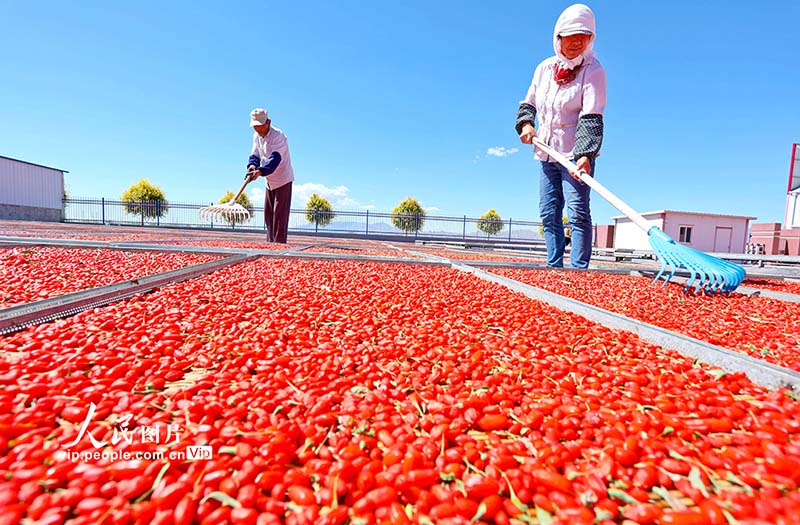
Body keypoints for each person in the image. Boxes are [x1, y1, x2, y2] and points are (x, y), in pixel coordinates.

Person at [516, 3, 606, 268]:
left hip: (576, 154)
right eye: (570, 35)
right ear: (558, 38)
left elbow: (591, 115)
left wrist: (585, 155)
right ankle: (554, 267)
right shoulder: (544, 68)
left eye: (584, 35)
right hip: (546, 151)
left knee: (577, 212)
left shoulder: (594, 70)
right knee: (548, 212)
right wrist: (526, 124)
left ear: (591, 38)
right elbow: (528, 103)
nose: (577, 41)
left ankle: (578, 271)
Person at [246, 108, 295, 244]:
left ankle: (279, 246)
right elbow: (255, 154)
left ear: (268, 122)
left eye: (260, 126)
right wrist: (252, 166)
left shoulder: (278, 136)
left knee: (280, 215)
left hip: (283, 179)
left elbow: (275, 159)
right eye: (255, 127)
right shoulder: (257, 137)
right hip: (269, 181)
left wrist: (260, 171)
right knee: (269, 215)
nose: (258, 130)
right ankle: (270, 244)